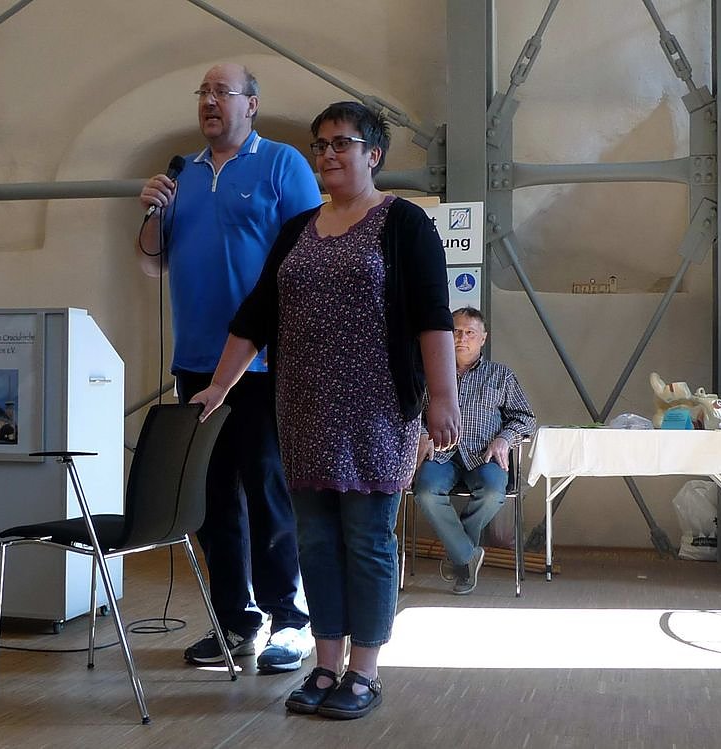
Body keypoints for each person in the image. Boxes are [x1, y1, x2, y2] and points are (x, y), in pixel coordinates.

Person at [190, 101, 460, 720]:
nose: (329, 154)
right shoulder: (298, 229)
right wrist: (220, 385)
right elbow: (257, 315)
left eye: (342, 143)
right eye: (321, 145)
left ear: (374, 154)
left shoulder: (404, 223)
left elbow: (432, 317)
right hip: (304, 409)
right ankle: (325, 663)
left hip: (378, 412)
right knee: (314, 541)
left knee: (366, 540)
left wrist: (442, 398)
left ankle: (364, 671)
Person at [136, 63, 321, 673]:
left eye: (222, 92)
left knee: (268, 489)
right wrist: (151, 213)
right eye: (203, 93)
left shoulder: (282, 164)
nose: (210, 101)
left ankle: (290, 622)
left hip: (265, 362)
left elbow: (309, 254)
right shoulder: (181, 175)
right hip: (196, 363)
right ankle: (235, 624)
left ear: (252, 104)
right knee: (211, 500)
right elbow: (152, 263)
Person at [414, 306, 536, 595]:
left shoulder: (501, 375)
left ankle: (460, 555)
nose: (462, 338)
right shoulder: (428, 373)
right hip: (440, 453)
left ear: (483, 338)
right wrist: (421, 433)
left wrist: (504, 438)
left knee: (494, 492)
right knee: (425, 492)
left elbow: (526, 418)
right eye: (456, 331)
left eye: (470, 332)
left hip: (484, 455)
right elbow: (411, 414)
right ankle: (466, 555)